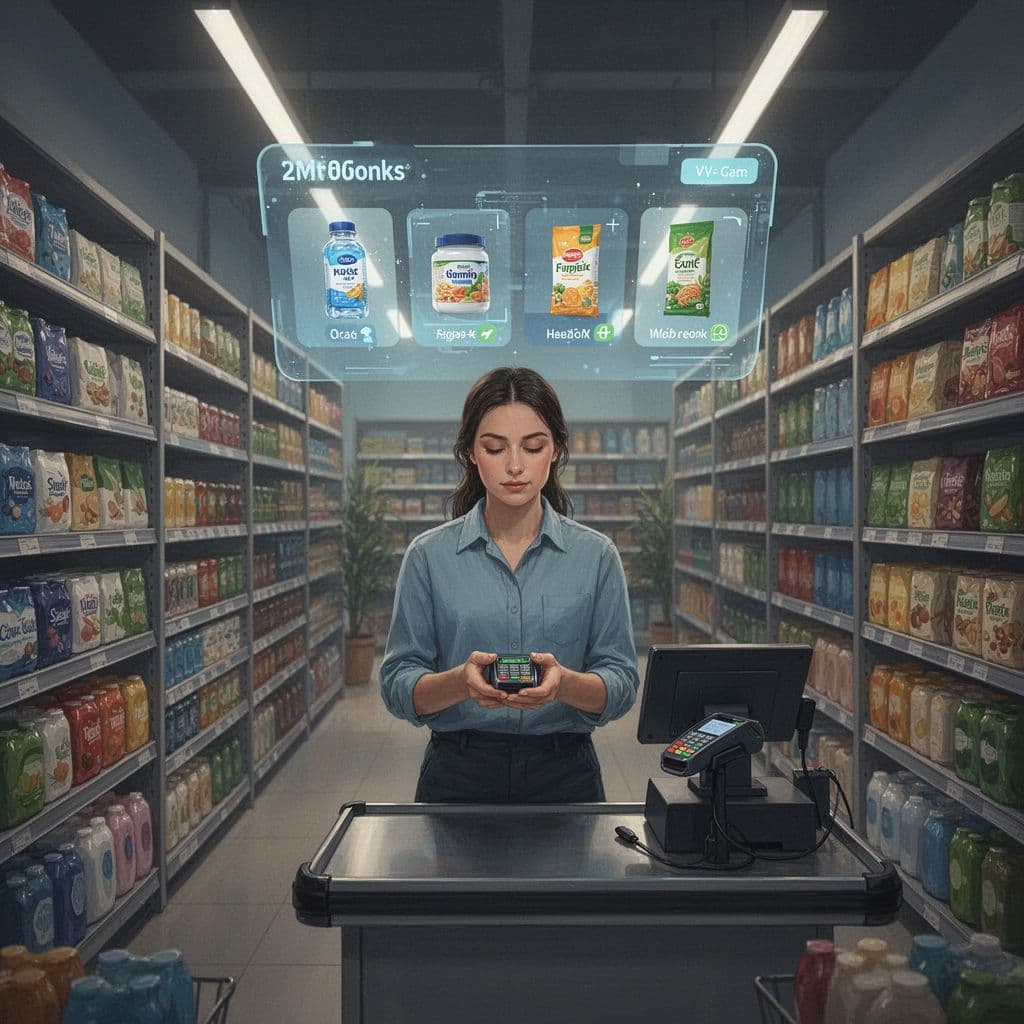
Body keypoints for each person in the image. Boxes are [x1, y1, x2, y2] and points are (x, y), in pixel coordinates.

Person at [380, 366, 640, 803]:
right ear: (470, 452)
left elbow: (621, 682)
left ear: (556, 450)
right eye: (495, 448)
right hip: (458, 771)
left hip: (566, 772)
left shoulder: (596, 556)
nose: (515, 465)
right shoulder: (428, 556)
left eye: (533, 447)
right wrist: (461, 683)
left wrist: (563, 684)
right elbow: (397, 683)